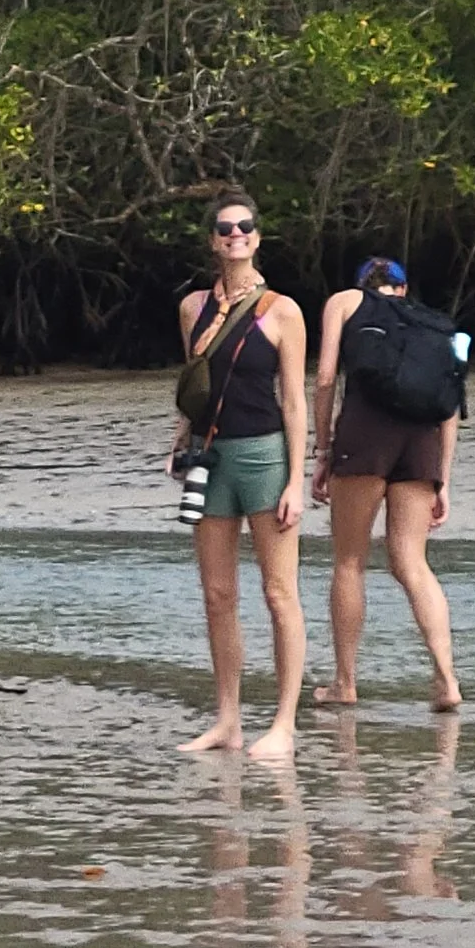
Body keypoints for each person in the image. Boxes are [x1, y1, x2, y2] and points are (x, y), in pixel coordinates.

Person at [169, 191, 309, 759]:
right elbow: (194, 384)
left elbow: (295, 400)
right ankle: (226, 719)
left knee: (279, 593)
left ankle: (283, 724)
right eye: (225, 229)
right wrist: (179, 440)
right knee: (218, 594)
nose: (235, 236)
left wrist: (298, 478)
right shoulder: (192, 307)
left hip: (263, 455)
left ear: (257, 237)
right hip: (211, 456)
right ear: (213, 240)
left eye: (244, 227)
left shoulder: (283, 309)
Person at [310, 256, 463, 712]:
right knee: (413, 563)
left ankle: (345, 682)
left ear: (363, 284)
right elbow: (451, 404)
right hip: (422, 441)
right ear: (403, 287)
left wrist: (322, 450)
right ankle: (447, 679)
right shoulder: (436, 324)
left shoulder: (344, 302)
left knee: (349, 561)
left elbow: (323, 379)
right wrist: (443, 480)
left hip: (365, 435)